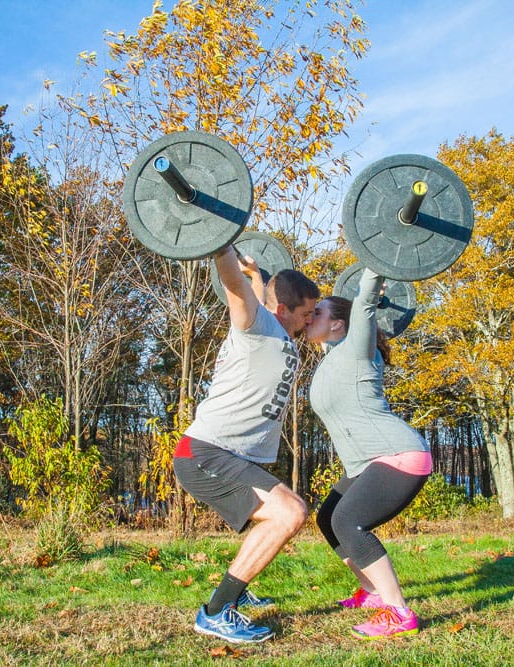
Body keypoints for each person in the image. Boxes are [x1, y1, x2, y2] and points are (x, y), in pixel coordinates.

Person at [173, 244, 320, 644]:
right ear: (283, 309)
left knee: (280, 513)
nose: (311, 323)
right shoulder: (256, 326)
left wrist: (257, 273)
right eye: (307, 314)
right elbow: (234, 285)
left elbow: (254, 287)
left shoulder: (275, 328)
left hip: (228, 454)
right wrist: (219, 243)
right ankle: (218, 611)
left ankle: (239, 589)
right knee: (290, 513)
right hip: (204, 452)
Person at [305, 267, 431, 640]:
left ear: (339, 326)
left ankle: (399, 613)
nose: (311, 316)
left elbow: (362, 304)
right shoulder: (331, 357)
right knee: (328, 518)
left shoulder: (358, 350)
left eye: (320, 312)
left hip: (398, 455)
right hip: (368, 463)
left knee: (348, 521)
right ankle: (373, 593)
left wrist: (375, 267)